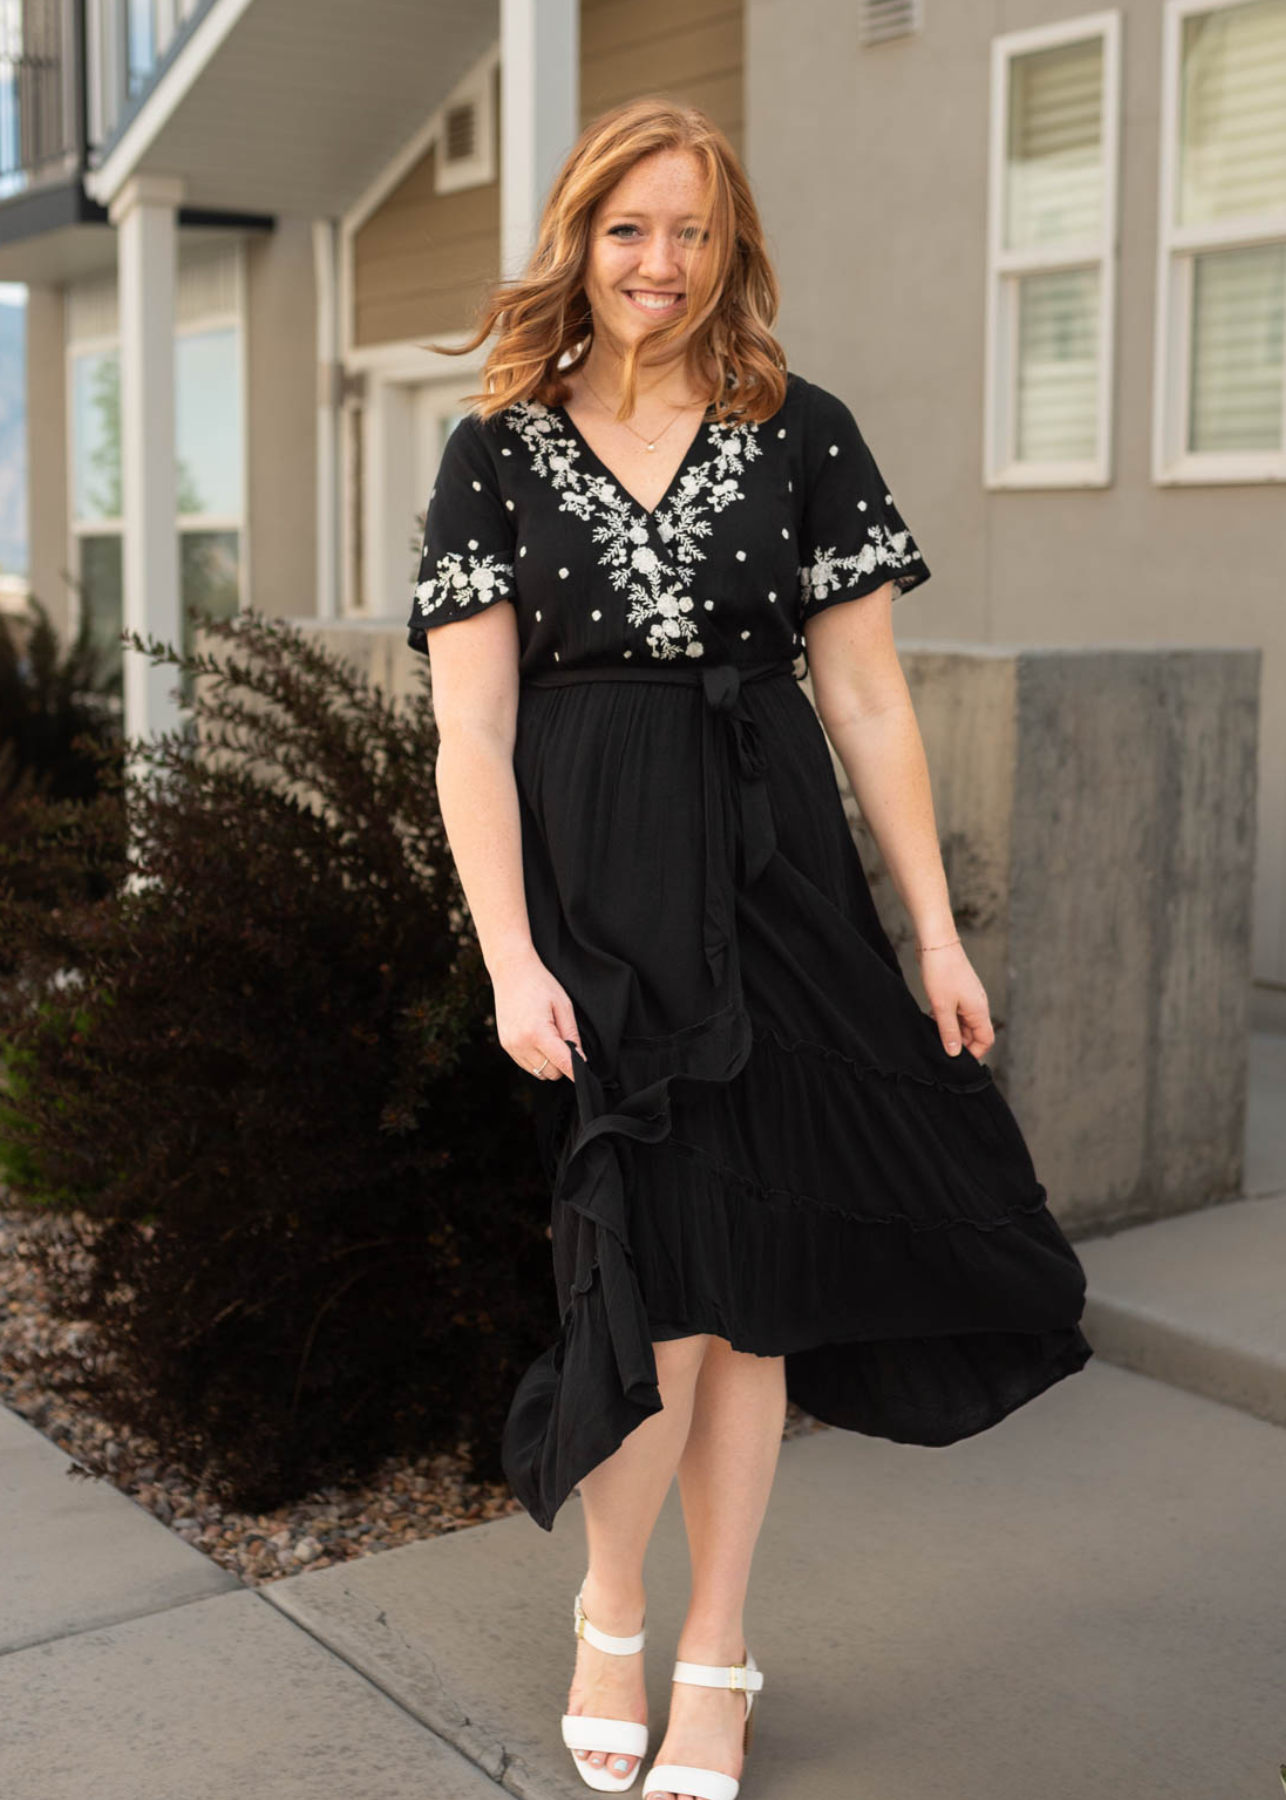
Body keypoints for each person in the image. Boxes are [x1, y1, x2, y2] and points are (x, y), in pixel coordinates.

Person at [406, 96, 1092, 1800]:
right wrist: (508, 956)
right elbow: (470, 735)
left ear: (732, 251)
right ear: (580, 239)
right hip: (593, 905)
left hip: (774, 889)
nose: (660, 263)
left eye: (692, 232)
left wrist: (931, 932)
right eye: (629, 229)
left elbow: (862, 699)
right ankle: (610, 1610)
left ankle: (712, 1646)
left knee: (752, 1287)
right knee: (642, 1270)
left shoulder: (804, 433)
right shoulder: (494, 446)